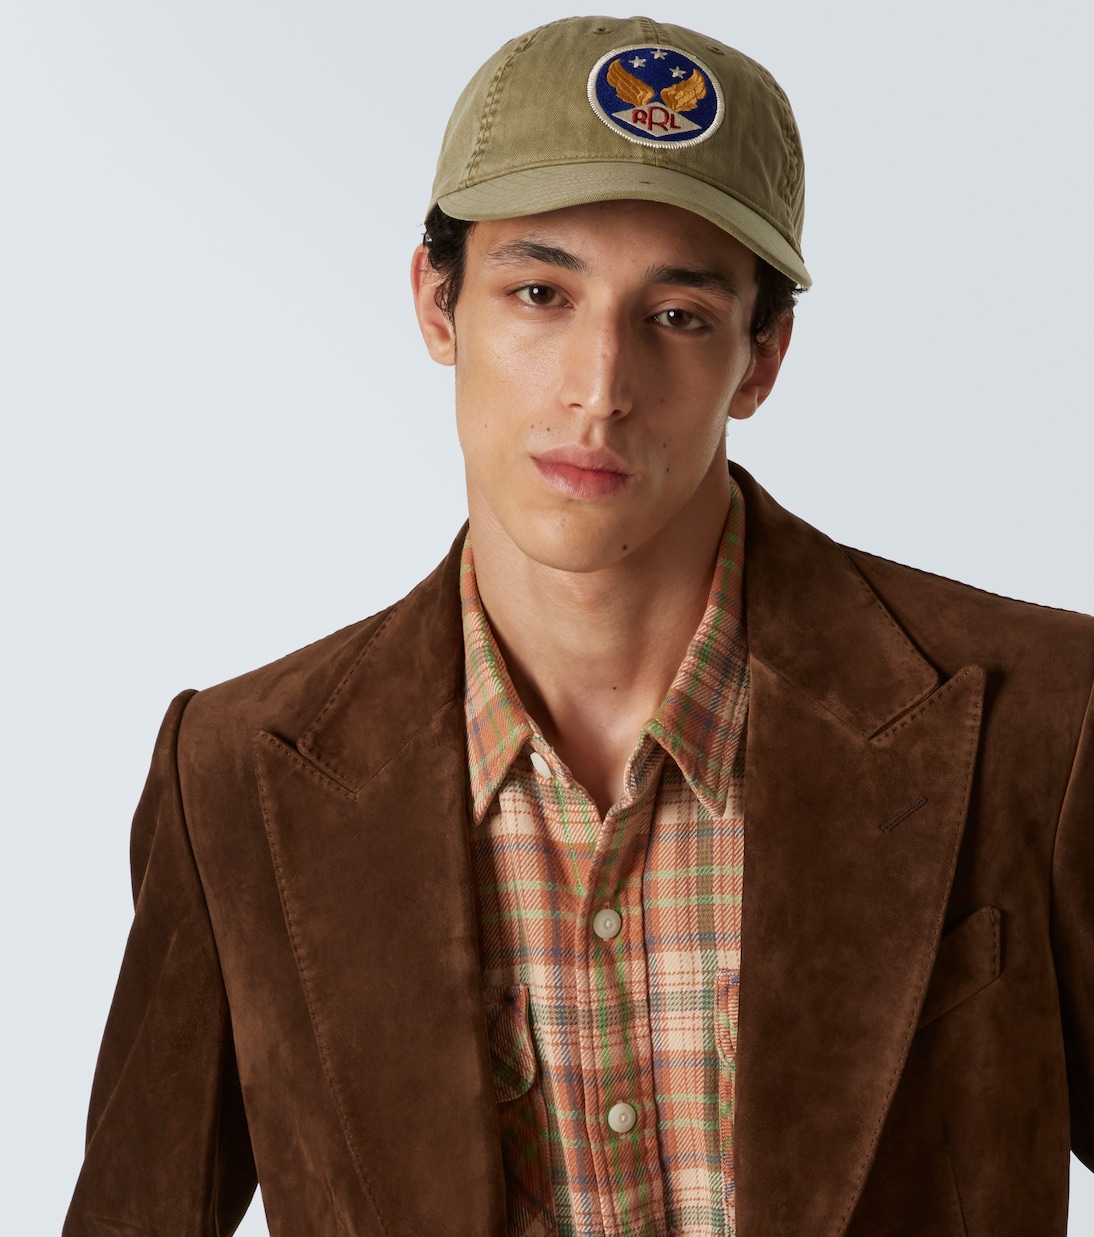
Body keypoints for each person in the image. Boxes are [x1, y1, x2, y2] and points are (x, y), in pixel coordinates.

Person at [64, 15, 1094, 1237]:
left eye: (676, 315)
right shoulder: (237, 777)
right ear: (437, 304)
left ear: (760, 358)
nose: (597, 387)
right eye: (539, 293)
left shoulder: (1039, 722)